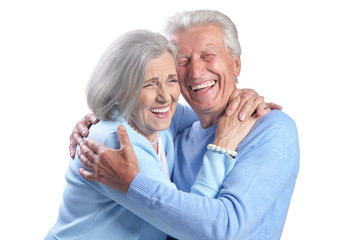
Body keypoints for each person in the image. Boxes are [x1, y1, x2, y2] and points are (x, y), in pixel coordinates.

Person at [71, 10, 299, 240]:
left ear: (236, 64)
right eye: (182, 60)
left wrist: (132, 183)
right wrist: (102, 116)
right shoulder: (175, 128)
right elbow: (136, 106)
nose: (196, 71)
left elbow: (226, 229)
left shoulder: (272, 129)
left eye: (208, 55)